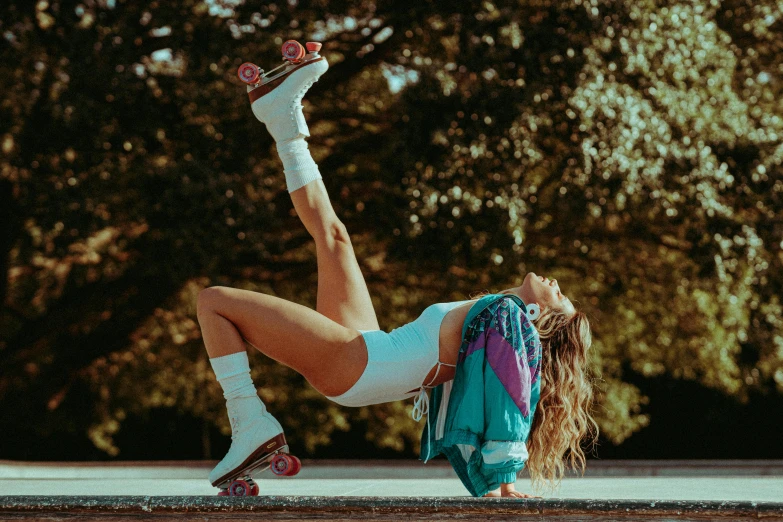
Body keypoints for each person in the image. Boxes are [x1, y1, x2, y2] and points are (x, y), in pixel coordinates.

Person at [196, 44, 597, 498]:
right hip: (367, 353)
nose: (558, 285)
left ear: (543, 321)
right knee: (334, 238)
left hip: (356, 365)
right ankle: (282, 119)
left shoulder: (510, 321)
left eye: (562, 299)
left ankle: (248, 421)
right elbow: (495, 393)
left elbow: (510, 398)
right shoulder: (493, 321)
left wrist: (500, 483)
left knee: (213, 302)